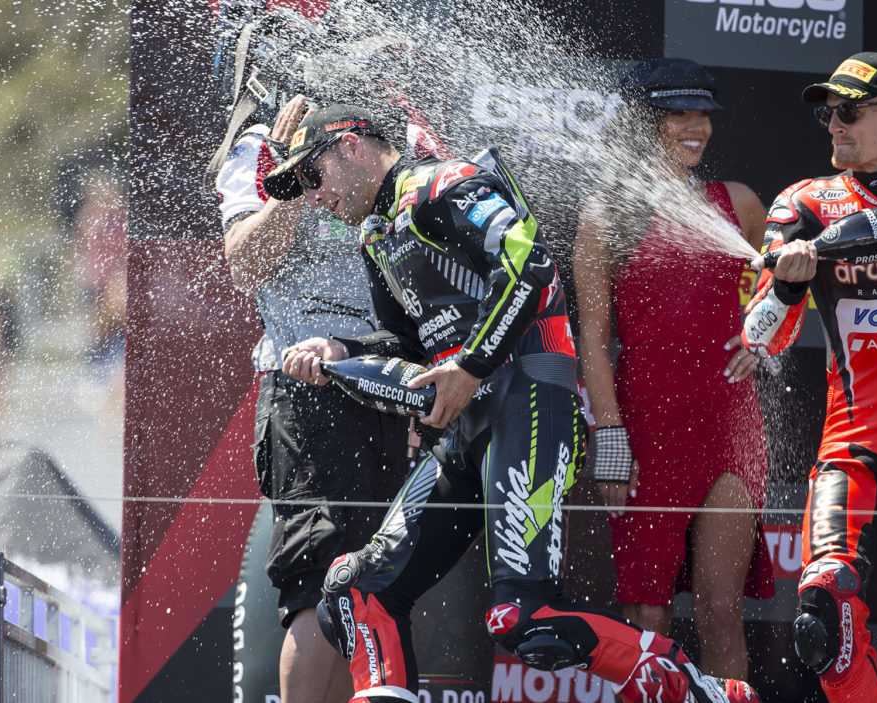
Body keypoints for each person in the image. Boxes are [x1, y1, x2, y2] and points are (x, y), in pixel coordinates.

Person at [267, 103, 762, 703]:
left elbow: (531, 263)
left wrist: (471, 368)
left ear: (350, 148)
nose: (312, 199)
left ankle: (698, 690)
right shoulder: (378, 234)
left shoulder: (439, 184)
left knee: (524, 619)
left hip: (530, 402)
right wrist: (339, 347)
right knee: (356, 591)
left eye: (311, 177)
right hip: (468, 418)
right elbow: (406, 342)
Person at [573, 58, 774, 682]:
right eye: (678, 114)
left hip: (731, 421)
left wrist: (766, 340)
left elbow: (785, 290)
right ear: (642, 121)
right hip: (645, 426)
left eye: (703, 114)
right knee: (647, 618)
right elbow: (594, 339)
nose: (697, 127)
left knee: (721, 610)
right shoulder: (602, 216)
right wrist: (610, 434)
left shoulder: (737, 203)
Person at [740, 51, 877, 702]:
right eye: (828, 113)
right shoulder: (804, 204)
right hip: (854, 448)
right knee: (822, 616)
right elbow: (760, 337)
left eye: (848, 111)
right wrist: (788, 289)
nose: (833, 125)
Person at [216, 93, 413, 703]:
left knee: (372, 588)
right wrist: (296, 179)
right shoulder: (259, 142)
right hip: (304, 386)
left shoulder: (384, 137)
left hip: (384, 382)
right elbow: (244, 267)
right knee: (315, 578)